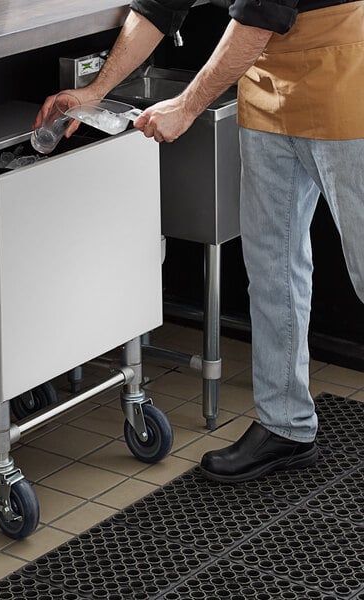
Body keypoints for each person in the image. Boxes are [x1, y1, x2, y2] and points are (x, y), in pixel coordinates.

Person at [35, 0, 364, 482]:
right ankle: (285, 426)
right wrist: (95, 91)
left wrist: (188, 106)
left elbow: (257, 19)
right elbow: (159, 7)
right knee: (271, 270)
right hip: (269, 95)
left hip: (346, 85)